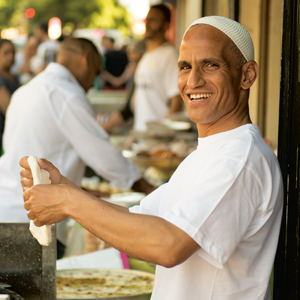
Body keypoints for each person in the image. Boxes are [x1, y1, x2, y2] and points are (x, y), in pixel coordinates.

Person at [20, 16, 283, 299]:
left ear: (247, 75)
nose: (193, 81)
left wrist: (70, 202)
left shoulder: (240, 158)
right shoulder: (209, 153)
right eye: (185, 67)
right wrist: (64, 187)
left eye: (210, 65)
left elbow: (168, 245)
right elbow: (138, 221)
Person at [0, 37, 153, 259]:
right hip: (30, 221)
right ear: (86, 60)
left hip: (9, 209)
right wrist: (147, 188)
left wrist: (81, 191)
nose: (93, 83)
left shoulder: (30, 88)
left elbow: (41, 149)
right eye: (96, 73)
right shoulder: (66, 93)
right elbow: (102, 153)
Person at [133, 4, 182, 132]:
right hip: (142, 133)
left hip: (158, 136)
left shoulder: (170, 55)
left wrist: (161, 132)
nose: (147, 24)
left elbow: (177, 100)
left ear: (166, 25)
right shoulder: (146, 56)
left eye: (153, 20)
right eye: (147, 19)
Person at [101, 39, 147, 133]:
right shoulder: (138, 78)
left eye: (137, 61)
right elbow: (127, 110)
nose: (134, 66)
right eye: (132, 61)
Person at [0, 39, 20, 155]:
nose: (11, 56)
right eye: (6, 53)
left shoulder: (14, 76)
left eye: (13, 52)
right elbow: (9, 110)